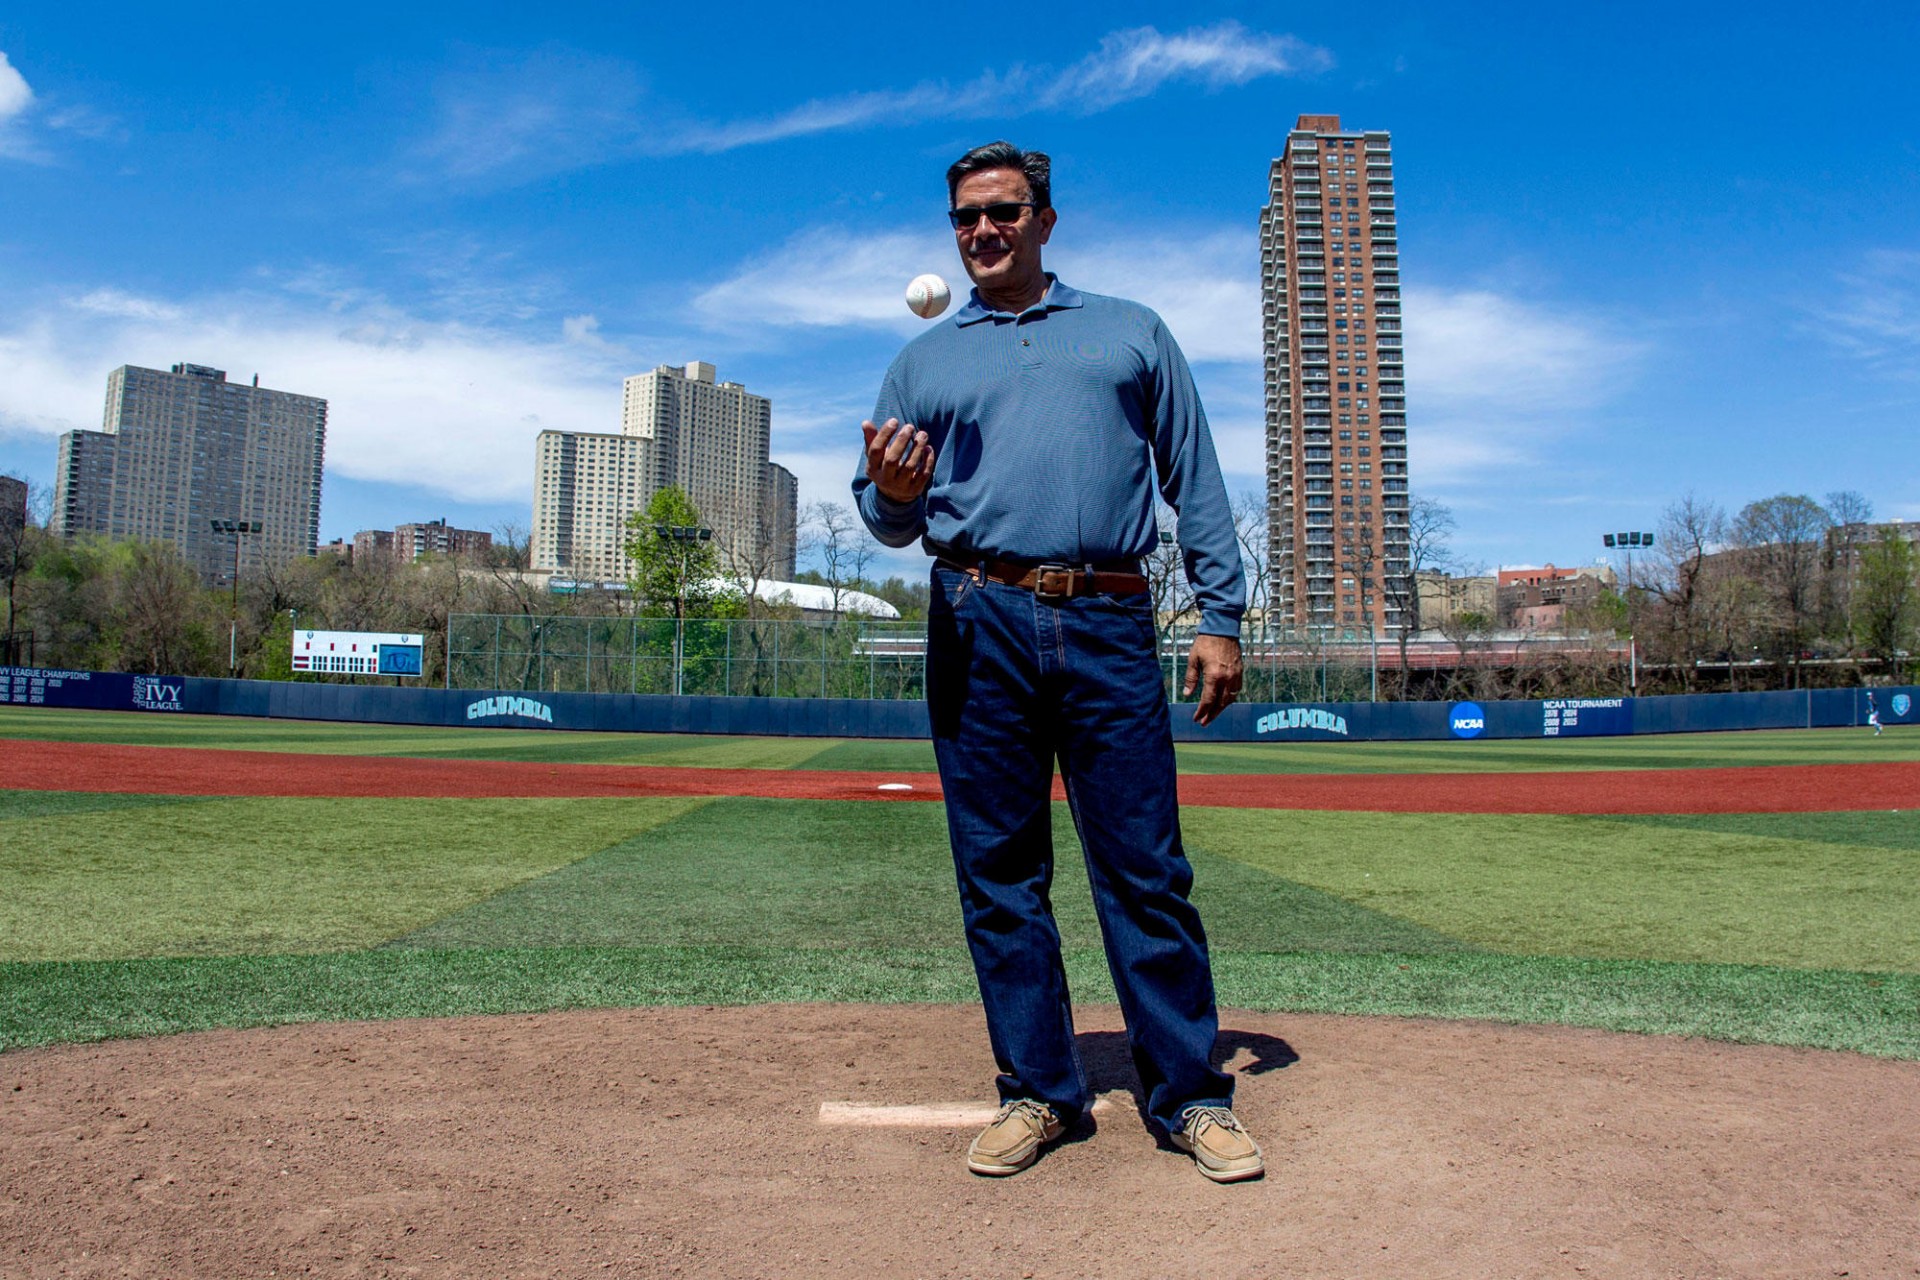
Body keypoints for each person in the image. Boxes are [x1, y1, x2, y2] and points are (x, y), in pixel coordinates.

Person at [852, 141, 1262, 1183]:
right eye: (964, 218)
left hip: (1109, 617)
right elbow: (888, 519)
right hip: (974, 614)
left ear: (1045, 217)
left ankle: (1190, 1094)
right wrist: (896, 490)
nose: (981, 231)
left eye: (1002, 211)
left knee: (1145, 869)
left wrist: (1222, 615)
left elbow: (1195, 476)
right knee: (999, 870)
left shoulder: (1130, 331)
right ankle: (1038, 1089)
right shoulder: (923, 362)